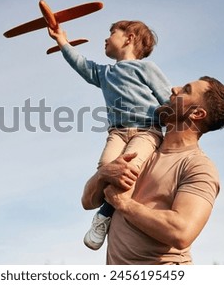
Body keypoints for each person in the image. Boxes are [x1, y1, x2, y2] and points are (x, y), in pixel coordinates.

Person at [81, 76, 224, 264]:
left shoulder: (198, 166)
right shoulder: (141, 149)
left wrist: (124, 204)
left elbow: (181, 232)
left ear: (197, 114)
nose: (174, 89)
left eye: (186, 90)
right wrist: (103, 174)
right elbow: (88, 201)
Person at [48, 21, 172, 250]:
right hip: (117, 133)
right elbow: (81, 64)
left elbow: (168, 100)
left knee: (129, 169)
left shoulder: (146, 69)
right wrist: (62, 41)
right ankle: (104, 207)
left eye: (112, 33)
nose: (106, 38)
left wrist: (179, 124)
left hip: (146, 131)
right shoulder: (104, 73)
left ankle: (104, 215)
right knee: (106, 167)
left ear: (130, 38)